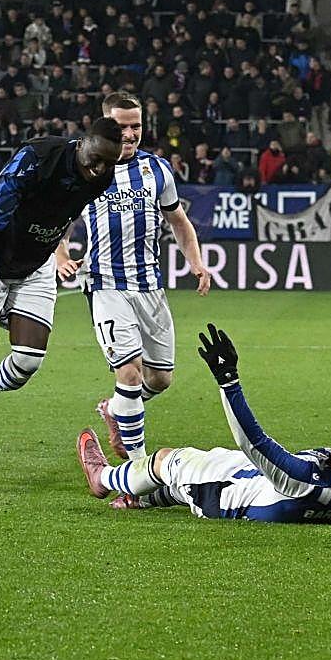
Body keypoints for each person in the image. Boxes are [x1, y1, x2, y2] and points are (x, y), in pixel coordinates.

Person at [76, 323, 331, 524]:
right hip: (251, 484)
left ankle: (104, 478)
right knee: (193, 475)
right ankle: (139, 500)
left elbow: (253, 442)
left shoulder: (303, 480)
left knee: (169, 461)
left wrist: (229, 383)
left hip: (224, 497)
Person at [0, 117, 128, 494]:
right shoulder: (38, 157)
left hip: (36, 265)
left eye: (109, 163)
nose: (100, 168)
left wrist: (59, 253)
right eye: (96, 158)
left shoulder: (101, 177)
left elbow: (64, 217)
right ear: (82, 142)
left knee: (28, 360)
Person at [64, 92, 210, 464]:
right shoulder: (87, 167)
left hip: (150, 287)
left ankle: (117, 410)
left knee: (160, 378)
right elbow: (60, 219)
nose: (129, 134)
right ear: (104, 126)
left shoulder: (157, 170)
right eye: (121, 127)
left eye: (136, 126)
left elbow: (178, 220)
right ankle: (137, 472)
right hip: (105, 285)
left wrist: (195, 261)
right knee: (128, 372)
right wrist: (61, 255)